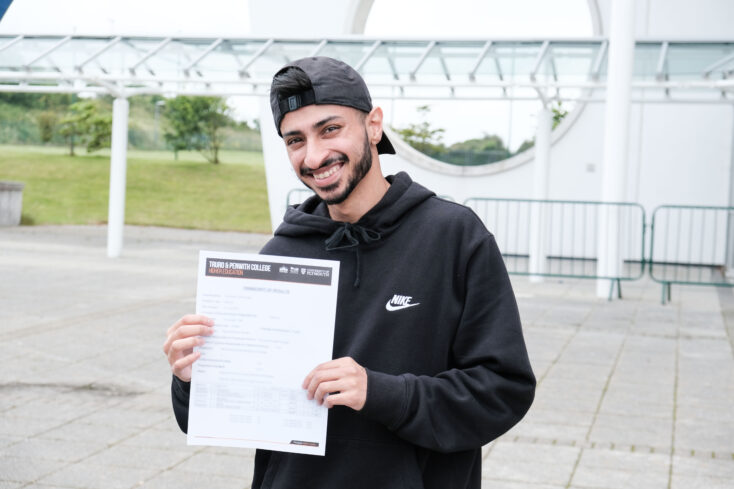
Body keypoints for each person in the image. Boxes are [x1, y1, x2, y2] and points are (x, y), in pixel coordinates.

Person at [163, 56, 535, 489]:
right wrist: (192, 379)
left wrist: (380, 392)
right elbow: (218, 417)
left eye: (330, 129)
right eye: (295, 140)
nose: (315, 155)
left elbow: (502, 389)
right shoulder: (282, 253)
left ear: (373, 126)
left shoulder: (453, 237)